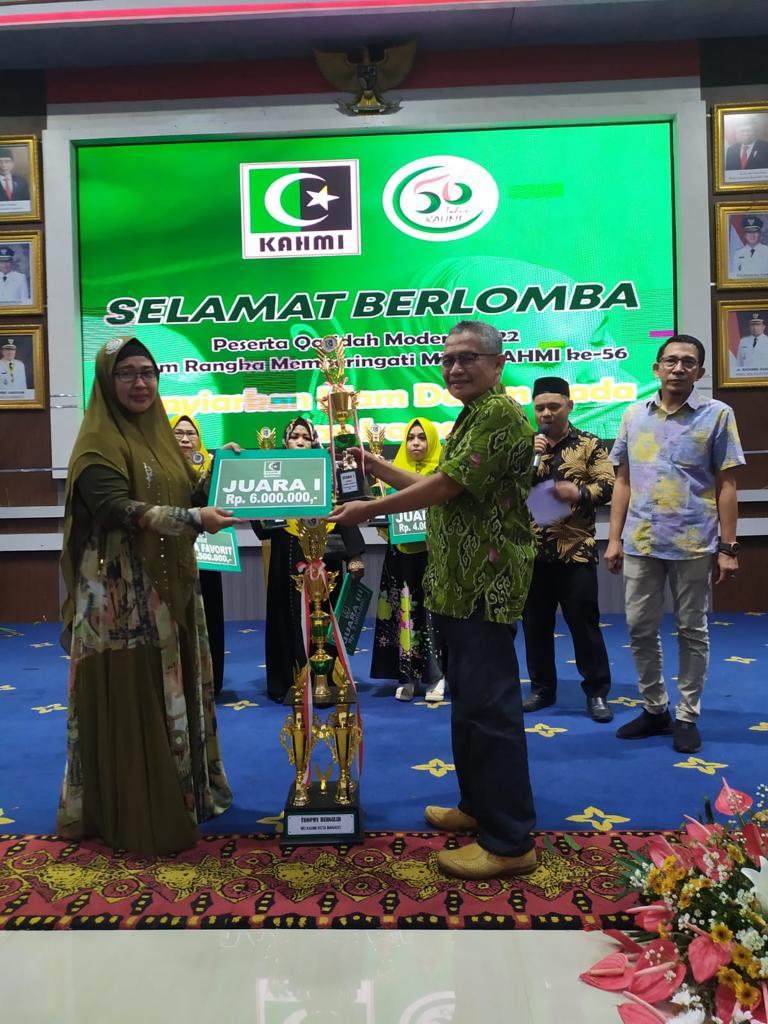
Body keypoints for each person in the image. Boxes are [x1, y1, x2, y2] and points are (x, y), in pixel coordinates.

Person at [331, 320, 537, 881]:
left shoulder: (499, 414)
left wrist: (367, 510)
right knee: (469, 706)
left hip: (485, 587)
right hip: (456, 584)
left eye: (468, 357)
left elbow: (444, 488)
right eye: (447, 358)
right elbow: (442, 483)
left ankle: (510, 840)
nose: (454, 367)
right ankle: (477, 807)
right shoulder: (472, 414)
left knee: (491, 711)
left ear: (497, 364)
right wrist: (374, 466)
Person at [57, 336, 234, 856]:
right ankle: (137, 808)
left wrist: (223, 474)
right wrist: (194, 518)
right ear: (106, 381)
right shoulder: (97, 445)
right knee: (135, 693)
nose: (140, 383)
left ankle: (183, 795)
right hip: (121, 602)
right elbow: (117, 509)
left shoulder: (161, 438)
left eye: (148, 372)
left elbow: (184, 493)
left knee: (170, 687)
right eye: (127, 373)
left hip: (169, 586)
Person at [604, 334, 745, 755]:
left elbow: (727, 484)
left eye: (687, 362)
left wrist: (729, 547)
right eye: (670, 360)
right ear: (657, 368)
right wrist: (613, 539)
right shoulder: (633, 415)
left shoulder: (717, 414)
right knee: (639, 628)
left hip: (693, 542)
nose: (678, 368)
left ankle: (686, 715)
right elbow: (623, 480)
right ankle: (654, 709)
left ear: (699, 371)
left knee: (692, 631)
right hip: (641, 541)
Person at [251, 416, 365, 703]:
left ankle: (329, 680)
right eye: (294, 437)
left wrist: (354, 555)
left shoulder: (328, 475)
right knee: (287, 616)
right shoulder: (272, 477)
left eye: (306, 437)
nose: (300, 441)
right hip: (287, 560)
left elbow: (344, 513)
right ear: (285, 442)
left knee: (326, 618)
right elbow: (262, 529)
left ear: (314, 442)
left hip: (326, 562)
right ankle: (293, 682)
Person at [522, 376, 614, 722]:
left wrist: (579, 492)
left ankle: (597, 693)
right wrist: (529, 460)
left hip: (575, 552)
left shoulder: (589, 444)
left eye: (553, 407)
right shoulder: (525, 447)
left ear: (569, 406)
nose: (546, 413)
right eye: (540, 408)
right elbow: (508, 490)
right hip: (531, 554)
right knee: (535, 627)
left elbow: (608, 485)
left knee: (584, 627)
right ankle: (541, 688)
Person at [368, 417, 445, 702]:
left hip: (434, 557)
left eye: (422, 437)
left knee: (434, 617)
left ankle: (438, 676)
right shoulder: (391, 475)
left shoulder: (443, 474)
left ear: (432, 441)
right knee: (405, 615)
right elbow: (383, 517)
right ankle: (408, 676)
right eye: (411, 437)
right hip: (400, 558)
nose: (415, 442)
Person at [170, 414, 226, 697]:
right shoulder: (161, 469)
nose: (184, 439)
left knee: (210, 614)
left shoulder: (210, 467)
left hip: (208, 554)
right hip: (172, 555)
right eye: (178, 433)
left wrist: (221, 463)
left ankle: (211, 681)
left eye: (190, 433)